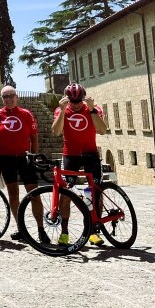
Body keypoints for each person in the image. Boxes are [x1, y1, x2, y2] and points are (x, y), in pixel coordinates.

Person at [51, 83, 108, 245]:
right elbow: (56, 132)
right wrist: (62, 111)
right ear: (66, 100)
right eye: (72, 101)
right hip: (71, 155)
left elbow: (102, 130)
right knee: (66, 193)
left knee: (95, 192)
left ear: (83, 98)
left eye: (78, 101)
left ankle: (93, 231)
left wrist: (91, 110)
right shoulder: (61, 110)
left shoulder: (93, 108)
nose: (75, 105)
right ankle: (64, 232)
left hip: (90, 153)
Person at [0, 85, 46, 243]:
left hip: (25, 158)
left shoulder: (26, 114)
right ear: (1, 99)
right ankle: (21, 228)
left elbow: (34, 138)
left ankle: (41, 229)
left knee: (34, 194)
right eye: (5, 97)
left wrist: (33, 157)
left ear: (17, 96)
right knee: (13, 194)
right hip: (6, 159)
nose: (8, 99)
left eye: (11, 96)